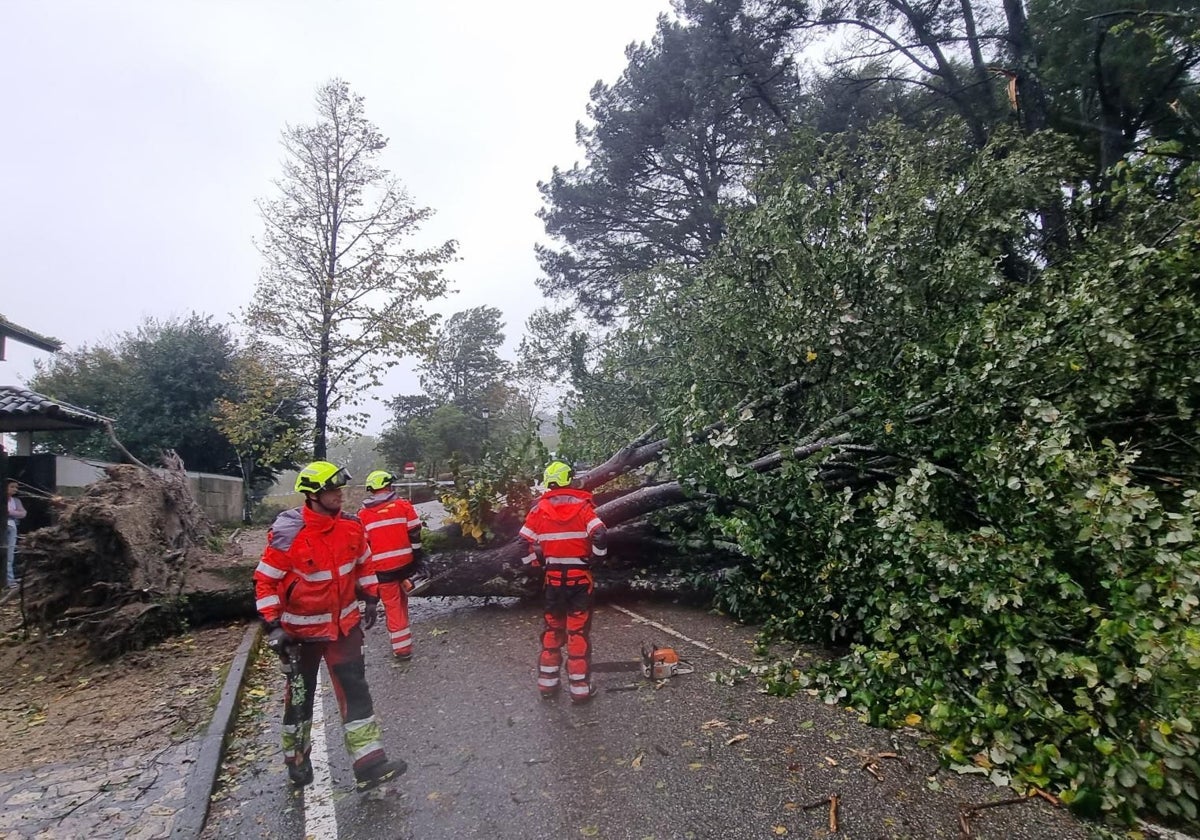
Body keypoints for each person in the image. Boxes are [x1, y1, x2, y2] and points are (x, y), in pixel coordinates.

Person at [253, 460, 406, 790]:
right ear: (312, 495)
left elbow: (364, 563)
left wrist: (370, 597)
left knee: (356, 693)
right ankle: (296, 759)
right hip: (300, 636)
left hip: (344, 629)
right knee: (299, 699)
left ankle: (370, 766)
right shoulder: (288, 534)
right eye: (331, 489)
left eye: (338, 488)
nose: (338, 494)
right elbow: (265, 582)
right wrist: (273, 626)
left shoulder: (351, 528)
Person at [518, 461, 608, 704]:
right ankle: (580, 689)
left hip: (553, 580)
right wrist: (596, 560)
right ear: (568, 479)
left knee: (553, 628)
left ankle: (547, 684)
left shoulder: (539, 509)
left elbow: (522, 541)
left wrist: (533, 566)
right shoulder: (582, 506)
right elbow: (599, 534)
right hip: (579, 579)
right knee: (577, 632)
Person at [357, 470, 424, 660]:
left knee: (392, 605)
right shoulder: (403, 505)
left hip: (382, 569)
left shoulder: (363, 514)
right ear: (388, 485)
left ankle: (401, 648)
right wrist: (417, 555)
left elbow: (364, 546)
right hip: (405, 564)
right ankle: (403, 643)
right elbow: (415, 533)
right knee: (403, 601)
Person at [5, 480, 26, 589]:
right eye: (12, 487)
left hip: (12, 527)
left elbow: (23, 513)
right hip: (3, 527)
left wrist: (10, 513)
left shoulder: (16, 500)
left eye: (16, 487)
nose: (15, 489)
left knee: (10, 553)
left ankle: (10, 579)